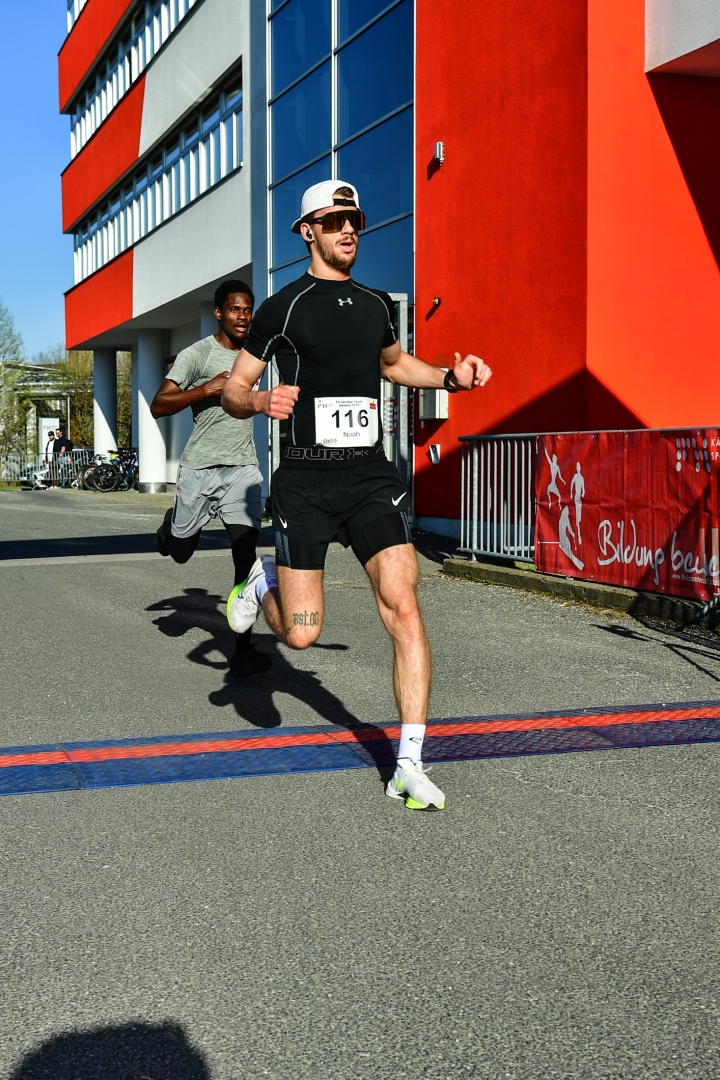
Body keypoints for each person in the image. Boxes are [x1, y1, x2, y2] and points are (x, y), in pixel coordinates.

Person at [220, 181, 492, 809]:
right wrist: (260, 401)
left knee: (404, 606)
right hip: (306, 482)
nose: (348, 229)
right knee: (302, 635)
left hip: (370, 477)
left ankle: (409, 766)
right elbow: (233, 390)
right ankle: (261, 584)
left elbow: (394, 365)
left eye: (355, 220)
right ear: (306, 232)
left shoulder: (375, 305)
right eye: (334, 220)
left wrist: (449, 378)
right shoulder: (282, 309)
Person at [150, 280, 270, 679]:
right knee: (181, 552)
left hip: (242, 469)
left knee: (245, 558)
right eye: (235, 309)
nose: (243, 316)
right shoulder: (196, 354)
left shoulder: (256, 353)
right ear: (219, 312)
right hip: (199, 470)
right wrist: (205, 389)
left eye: (248, 309)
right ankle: (170, 530)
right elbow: (158, 405)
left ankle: (243, 650)